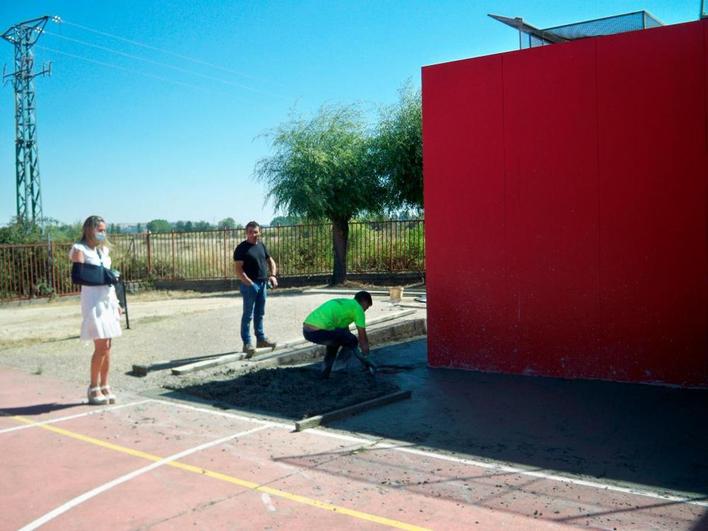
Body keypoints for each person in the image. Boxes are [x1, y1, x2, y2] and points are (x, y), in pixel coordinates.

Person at [69, 215, 122, 405]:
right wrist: (105, 276)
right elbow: (79, 276)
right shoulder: (79, 249)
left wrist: (118, 304)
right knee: (100, 347)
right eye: (99, 229)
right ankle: (93, 388)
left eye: (104, 230)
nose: (103, 233)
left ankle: (105, 384)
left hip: (108, 301)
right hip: (93, 302)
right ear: (89, 229)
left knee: (108, 347)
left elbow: (110, 280)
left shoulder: (103, 250)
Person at [302, 291, 374, 378]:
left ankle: (326, 371)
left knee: (336, 342)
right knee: (352, 340)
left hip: (307, 331)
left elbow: (344, 332)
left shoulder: (346, 304)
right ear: (364, 302)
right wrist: (366, 356)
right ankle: (339, 367)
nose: (365, 310)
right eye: (366, 307)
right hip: (318, 331)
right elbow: (362, 337)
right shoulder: (358, 308)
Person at [233, 221, 277, 357]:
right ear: (246, 233)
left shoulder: (262, 246)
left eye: (255, 232)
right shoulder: (241, 248)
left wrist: (273, 275)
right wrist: (249, 283)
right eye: (250, 232)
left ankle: (261, 340)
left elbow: (271, 261)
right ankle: (247, 344)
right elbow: (238, 269)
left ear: (260, 232)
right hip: (249, 285)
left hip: (263, 283)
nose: (253, 234)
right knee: (248, 315)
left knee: (260, 313)